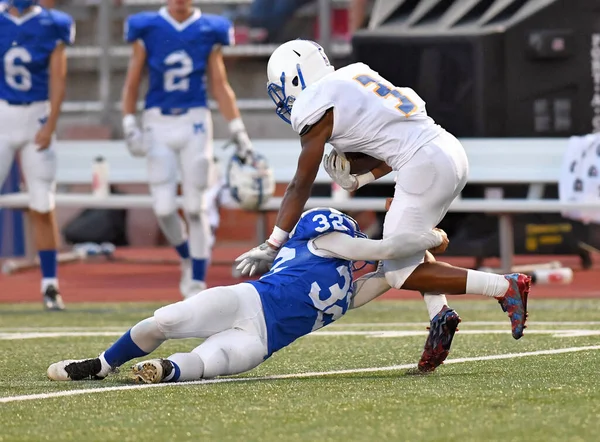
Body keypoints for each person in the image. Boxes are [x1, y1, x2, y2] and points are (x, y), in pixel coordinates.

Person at [235, 40, 530, 366]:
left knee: (399, 272)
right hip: (446, 150)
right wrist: (359, 179)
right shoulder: (355, 75)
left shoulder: (314, 101)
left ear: (296, 78)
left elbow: (299, 184)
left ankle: (504, 286)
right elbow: (394, 141)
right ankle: (439, 313)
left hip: (425, 163)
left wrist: (274, 242)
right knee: (404, 242)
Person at [47, 199, 528, 382]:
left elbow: (397, 267)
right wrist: (428, 235)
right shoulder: (324, 238)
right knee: (167, 320)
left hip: (262, 342)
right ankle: (102, 364)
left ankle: (161, 370)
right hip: (246, 300)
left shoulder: (352, 285)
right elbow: (380, 247)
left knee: (200, 366)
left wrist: (422, 251)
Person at [121, 0, 254, 299]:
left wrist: (238, 130)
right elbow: (132, 83)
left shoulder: (210, 28)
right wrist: (129, 123)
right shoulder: (147, 26)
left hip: (195, 120)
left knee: (195, 208)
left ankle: (196, 280)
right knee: (164, 209)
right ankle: (186, 254)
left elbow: (220, 84)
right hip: (157, 121)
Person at [0, 0, 74, 310]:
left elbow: (58, 78)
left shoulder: (54, 22)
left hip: (37, 116)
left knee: (42, 203)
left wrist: (51, 123)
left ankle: (50, 285)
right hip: (3, 114)